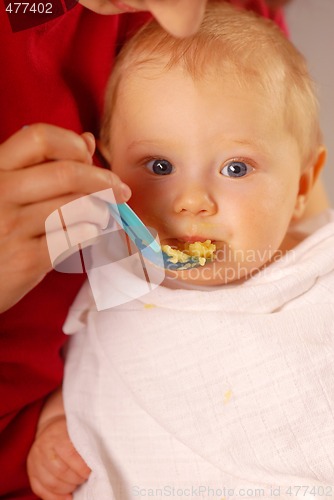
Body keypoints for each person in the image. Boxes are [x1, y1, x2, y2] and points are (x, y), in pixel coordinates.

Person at [27, 2, 334, 499]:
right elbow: (101, 374)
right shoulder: (115, 281)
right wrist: (61, 427)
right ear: (107, 175)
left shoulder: (321, 281)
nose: (191, 202)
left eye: (236, 169)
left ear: (302, 185)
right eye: (158, 166)